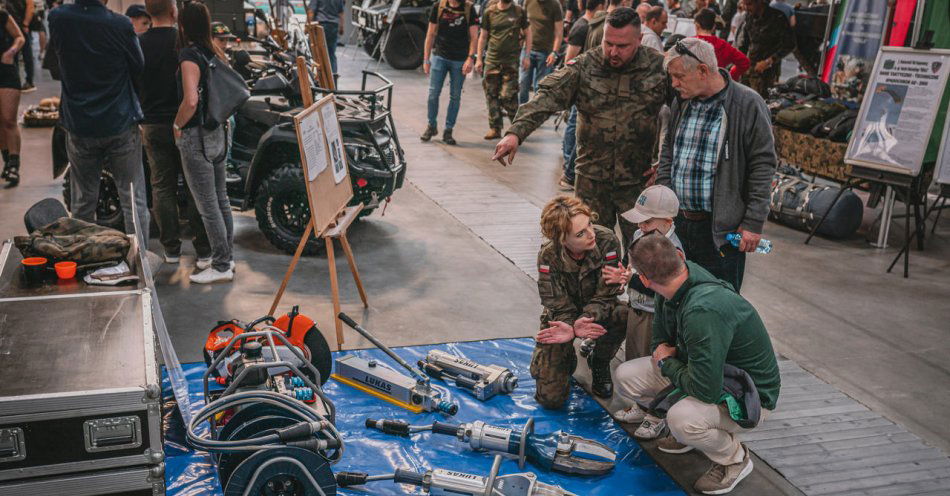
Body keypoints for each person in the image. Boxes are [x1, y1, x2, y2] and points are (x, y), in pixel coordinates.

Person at [614, 234, 780, 495]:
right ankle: (691, 437)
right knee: (626, 376)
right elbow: (659, 341)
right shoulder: (673, 284)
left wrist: (668, 362)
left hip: (749, 395)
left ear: (644, 279)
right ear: (679, 256)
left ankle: (735, 459)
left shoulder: (702, 310)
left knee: (682, 420)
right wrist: (667, 359)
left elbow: (705, 390)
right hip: (707, 373)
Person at [494, 8, 667, 246]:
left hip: (637, 182)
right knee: (592, 250)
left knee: (642, 249)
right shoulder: (586, 66)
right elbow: (546, 97)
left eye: (622, 46)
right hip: (592, 181)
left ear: (639, 39)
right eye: (608, 43)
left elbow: (687, 114)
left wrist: (666, 163)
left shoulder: (659, 67)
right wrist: (515, 133)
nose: (613, 52)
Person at [655, 37, 775, 292]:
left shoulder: (747, 104)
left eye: (679, 76)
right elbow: (668, 152)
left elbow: (763, 165)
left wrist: (753, 223)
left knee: (717, 304)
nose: (674, 84)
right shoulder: (682, 103)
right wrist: (663, 197)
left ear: (702, 70)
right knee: (674, 299)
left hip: (719, 232)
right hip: (679, 225)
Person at [49, 0, 150, 239]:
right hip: (119, 121)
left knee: (83, 202)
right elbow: (138, 65)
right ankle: (140, 264)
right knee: (132, 199)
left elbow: (54, 66)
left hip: (80, 123)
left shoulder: (58, 18)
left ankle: (84, 259)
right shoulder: (120, 24)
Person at [533, 195, 627, 407]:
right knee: (550, 399)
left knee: (623, 314)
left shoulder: (607, 240)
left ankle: (600, 361)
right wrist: (571, 328)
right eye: (580, 233)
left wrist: (587, 317)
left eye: (590, 224)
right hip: (563, 318)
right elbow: (555, 302)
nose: (591, 234)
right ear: (562, 239)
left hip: (597, 311)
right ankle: (566, 359)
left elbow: (607, 295)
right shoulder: (549, 256)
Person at [139, 0, 210, 265]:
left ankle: (170, 249)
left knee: (162, 187)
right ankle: (203, 249)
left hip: (152, 124)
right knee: (194, 186)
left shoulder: (139, 43)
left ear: (148, 12)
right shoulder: (183, 44)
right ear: (173, 11)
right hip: (185, 124)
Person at [174, 1, 235, 284]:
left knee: (207, 203)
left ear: (183, 25)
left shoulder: (189, 55)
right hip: (217, 131)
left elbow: (191, 99)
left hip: (196, 135)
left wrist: (177, 124)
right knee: (221, 199)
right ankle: (227, 259)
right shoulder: (215, 51)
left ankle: (221, 265)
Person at [603, 185, 683, 362]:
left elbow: (662, 289)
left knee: (646, 359)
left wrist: (630, 279)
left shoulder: (672, 250)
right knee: (632, 354)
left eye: (646, 221)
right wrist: (622, 269)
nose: (640, 225)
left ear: (667, 222)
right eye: (639, 220)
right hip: (636, 307)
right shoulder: (641, 233)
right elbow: (630, 257)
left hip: (654, 315)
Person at [559, 0, 605, 190]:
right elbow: (569, 60)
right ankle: (569, 165)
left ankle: (569, 165)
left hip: (586, 87)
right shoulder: (581, 27)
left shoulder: (586, 25)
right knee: (574, 125)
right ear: (601, 6)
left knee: (574, 124)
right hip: (583, 88)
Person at [420, 0, 478, 145]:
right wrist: (426, 59)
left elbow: (474, 37)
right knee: (433, 94)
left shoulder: (469, 8)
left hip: (460, 60)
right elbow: (430, 34)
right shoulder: (438, 6)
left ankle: (448, 130)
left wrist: (470, 59)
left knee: (455, 96)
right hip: (440, 57)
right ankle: (431, 126)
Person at [474, 0, 530, 140]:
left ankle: (517, 128)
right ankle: (495, 128)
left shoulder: (518, 12)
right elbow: (483, 36)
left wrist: (527, 56)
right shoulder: (490, 12)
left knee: (508, 96)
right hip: (492, 61)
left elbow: (528, 34)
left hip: (510, 62)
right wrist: (479, 58)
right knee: (491, 95)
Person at [735, 0, 794, 97]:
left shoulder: (778, 17)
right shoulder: (749, 16)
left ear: (760, 2)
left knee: (762, 103)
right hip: (749, 68)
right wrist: (739, 61)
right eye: (744, 4)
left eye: (749, 4)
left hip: (768, 72)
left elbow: (790, 44)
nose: (746, 8)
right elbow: (744, 43)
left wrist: (768, 61)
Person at [519, 0, 562, 104]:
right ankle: (522, 112)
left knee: (539, 87)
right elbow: (522, 24)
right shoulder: (528, 2)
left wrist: (554, 52)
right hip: (528, 50)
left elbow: (559, 33)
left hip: (545, 53)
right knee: (523, 83)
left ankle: (535, 114)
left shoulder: (554, 5)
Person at [0, 7, 23, 187]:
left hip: (5, 71)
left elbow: (20, 37)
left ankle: (15, 165)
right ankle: (7, 161)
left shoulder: (2, 15)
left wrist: (11, 52)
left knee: (8, 119)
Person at [693, 8, 748, 80]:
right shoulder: (723, 45)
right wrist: (730, 77)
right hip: (717, 87)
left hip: (692, 87)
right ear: (714, 27)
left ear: (697, 25)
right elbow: (745, 62)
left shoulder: (687, 43)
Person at [307, 0, 344, 73]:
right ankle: (333, 78)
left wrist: (307, 27)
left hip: (320, 25)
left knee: (315, 53)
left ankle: (319, 77)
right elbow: (341, 13)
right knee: (331, 54)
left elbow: (311, 12)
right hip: (333, 26)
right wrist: (341, 27)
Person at [6, 0, 33, 92]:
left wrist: (26, 24)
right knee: (14, 56)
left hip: (21, 25)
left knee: (26, 55)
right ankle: (15, 81)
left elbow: (30, 6)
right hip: (11, 26)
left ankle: (29, 81)